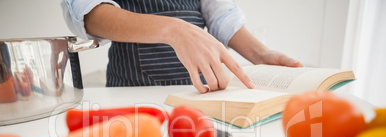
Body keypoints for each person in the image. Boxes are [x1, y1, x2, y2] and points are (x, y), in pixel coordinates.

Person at [61, 0, 303, 93]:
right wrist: (173, 30)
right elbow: (88, 13)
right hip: (131, 94)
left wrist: (261, 54)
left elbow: (221, 15)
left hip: (199, 94)